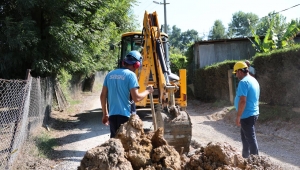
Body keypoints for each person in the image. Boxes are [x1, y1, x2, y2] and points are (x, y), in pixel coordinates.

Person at [100, 50, 154, 138]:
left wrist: (105, 114)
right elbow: (136, 98)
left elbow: (103, 95)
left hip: (112, 116)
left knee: (115, 142)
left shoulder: (109, 74)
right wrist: (148, 91)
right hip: (126, 116)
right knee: (128, 144)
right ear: (137, 64)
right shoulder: (131, 75)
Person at [232, 61, 260, 158]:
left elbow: (243, 101)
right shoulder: (253, 80)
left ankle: (255, 162)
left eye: (236, 73)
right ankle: (245, 157)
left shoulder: (243, 82)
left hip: (247, 114)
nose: (236, 75)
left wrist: (238, 116)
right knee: (245, 138)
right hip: (253, 113)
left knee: (251, 139)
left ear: (240, 71)